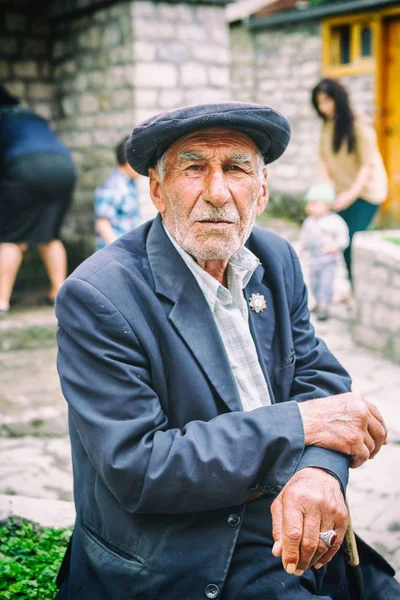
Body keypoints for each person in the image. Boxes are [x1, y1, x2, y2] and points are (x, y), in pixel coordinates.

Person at [54, 102, 399, 600]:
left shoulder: (275, 259)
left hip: (296, 519)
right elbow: (141, 467)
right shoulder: (99, 296)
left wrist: (319, 470)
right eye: (194, 168)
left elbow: (319, 382)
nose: (217, 192)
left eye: (236, 168)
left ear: (261, 192)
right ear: (157, 190)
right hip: (184, 553)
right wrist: (298, 427)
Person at [0, 84, 76, 316]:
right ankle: (59, 293)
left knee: (12, 237)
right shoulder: (32, 117)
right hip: (64, 167)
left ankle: (1, 301)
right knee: (50, 235)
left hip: (26, 166)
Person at [311, 78, 388, 286]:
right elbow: (324, 159)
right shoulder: (328, 125)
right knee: (340, 241)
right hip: (342, 192)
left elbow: (367, 165)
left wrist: (350, 195)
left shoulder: (359, 123)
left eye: (327, 101)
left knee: (351, 241)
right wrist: (328, 189)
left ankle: (359, 290)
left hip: (366, 192)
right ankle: (354, 289)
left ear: (338, 98)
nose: (323, 107)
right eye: (319, 102)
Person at [299, 183, 349, 322]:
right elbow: (305, 236)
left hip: (328, 260)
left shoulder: (334, 221)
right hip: (314, 259)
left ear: (327, 204)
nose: (310, 207)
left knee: (325, 284)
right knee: (314, 283)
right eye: (309, 203)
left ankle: (324, 306)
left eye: (315, 203)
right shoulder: (309, 222)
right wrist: (302, 248)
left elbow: (343, 237)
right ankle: (317, 302)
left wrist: (336, 247)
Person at [94, 136, 141, 250]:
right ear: (128, 161)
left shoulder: (128, 184)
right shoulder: (113, 186)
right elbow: (103, 223)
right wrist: (118, 250)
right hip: (115, 255)